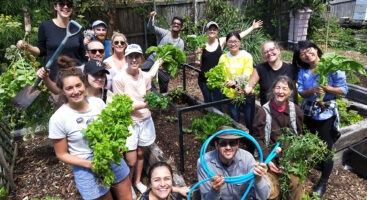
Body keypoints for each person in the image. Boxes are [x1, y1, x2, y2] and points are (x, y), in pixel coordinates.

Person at [48, 56, 132, 200]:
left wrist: (117, 144)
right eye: (69, 88)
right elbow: (61, 154)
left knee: (126, 194)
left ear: (84, 84)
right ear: (62, 90)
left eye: (78, 85)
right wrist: (90, 164)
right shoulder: (58, 118)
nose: (75, 91)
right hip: (84, 164)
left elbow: (109, 130)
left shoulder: (98, 103)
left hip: (110, 156)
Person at [293, 40, 347, 198]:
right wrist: (312, 90)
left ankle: (323, 181)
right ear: (300, 58)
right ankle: (305, 170)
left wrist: (327, 88)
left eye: (309, 50)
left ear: (316, 49)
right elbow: (302, 92)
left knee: (326, 150)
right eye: (302, 54)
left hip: (326, 113)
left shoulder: (331, 66)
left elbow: (343, 89)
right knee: (307, 141)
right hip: (308, 112)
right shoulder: (303, 71)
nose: (307, 54)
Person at [112, 44, 163, 196]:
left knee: (141, 154)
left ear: (141, 58)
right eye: (131, 56)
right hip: (129, 124)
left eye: (137, 56)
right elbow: (121, 107)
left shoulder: (146, 76)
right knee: (131, 160)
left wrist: (153, 102)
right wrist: (145, 104)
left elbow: (148, 95)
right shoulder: (119, 79)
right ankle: (127, 187)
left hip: (145, 121)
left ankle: (137, 181)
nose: (134, 59)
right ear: (126, 58)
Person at [252, 75, 304, 200]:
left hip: (289, 156)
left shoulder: (295, 111)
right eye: (278, 88)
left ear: (290, 92)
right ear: (273, 90)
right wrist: (268, 160)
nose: (280, 91)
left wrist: (294, 158)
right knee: (270, 186)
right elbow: (257, 138)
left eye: (284, 89)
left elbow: (299, 135)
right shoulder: (263, 112)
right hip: (268, 155)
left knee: (295, 183)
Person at [16, 0, 85, 89]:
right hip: (54, 79)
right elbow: (41, 51)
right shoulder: (45, 26)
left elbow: (83, 54)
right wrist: (27, 47)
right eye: (61, 4)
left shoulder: (76, 28)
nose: (65, 7)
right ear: (55, 6)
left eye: (69, 4)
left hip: (74, 79)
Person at [197, 20, 262, 111]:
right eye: (210, 29)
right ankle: (209, 117)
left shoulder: (221, 41)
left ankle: (220, 119)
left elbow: (237, 37)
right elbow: (201, 63)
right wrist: (198, 54)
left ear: (217, 31)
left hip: (218, 79)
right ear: (207, 31)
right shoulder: (203, 45)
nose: (212, 31)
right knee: (207, 102)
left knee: (217, 102)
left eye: (214, 29)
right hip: (203, 79)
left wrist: (252, 28)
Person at [197, 126, 270, 200]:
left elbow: (264, 196)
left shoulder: (247, 158)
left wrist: (259, 179)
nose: (228, 147)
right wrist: (215, 191)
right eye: (223, 143)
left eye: (232, 143)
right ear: (216, 145)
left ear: (238, 144)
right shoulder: (204, 162)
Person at [218, 31, 255, 131]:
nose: (233, 44)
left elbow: (248, 73)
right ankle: (236, 138)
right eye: (230, 42)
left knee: (249, 119)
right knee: (235, 119)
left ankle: (252, 141)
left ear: (240, 42)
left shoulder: (246, 56)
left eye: (236, 41)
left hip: (246, 93)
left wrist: (237, 83)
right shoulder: (223, 57)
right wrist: (227, 82)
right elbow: (221, 74)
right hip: (232, 94)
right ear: (226, 43)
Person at [142, 11, 184, 93]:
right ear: (171, 25)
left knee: (164, 89)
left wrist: (164, 64)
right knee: (143, 71)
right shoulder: (164, 33)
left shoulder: (180, 42)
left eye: (178, 24)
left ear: (181, 28)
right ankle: (153, 91)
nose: (176, 24)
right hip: (155, 58)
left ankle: (162, 100)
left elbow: (177, 59)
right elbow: (151, 27)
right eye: (174, 23)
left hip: (166, 65)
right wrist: (152, 18)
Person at [245, 41, 298, 105]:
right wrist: (243, 89)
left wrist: (296, 108)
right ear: (264, 55)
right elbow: (250, 85)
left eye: (272, 49)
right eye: (266, 52)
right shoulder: (260, 69)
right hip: (268, 110)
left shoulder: (291, 68)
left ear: (278, 50)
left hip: (287, 109)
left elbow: (294, 91)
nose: (269, 53)